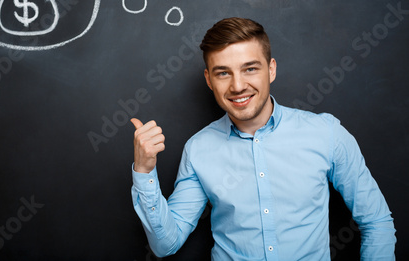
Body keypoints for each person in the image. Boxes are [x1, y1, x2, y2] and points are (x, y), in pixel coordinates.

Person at [130, 17, 396, 260]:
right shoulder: (198, 149)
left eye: (250, 69)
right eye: (223, 72)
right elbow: (166, 244)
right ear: (209, 80)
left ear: (271, 70)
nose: (237, 86)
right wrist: (144, 171)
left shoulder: (325, 133)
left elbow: (376, 221)